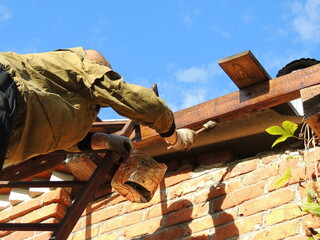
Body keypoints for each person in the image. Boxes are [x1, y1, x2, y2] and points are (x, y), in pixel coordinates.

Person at [0, 47, 197, 169]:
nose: (108, 75)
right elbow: (134, 98)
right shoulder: (80, 64)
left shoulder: (66, 102)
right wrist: (174, 137)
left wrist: (106, 141)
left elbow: (65, 140)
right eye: (107, 71)